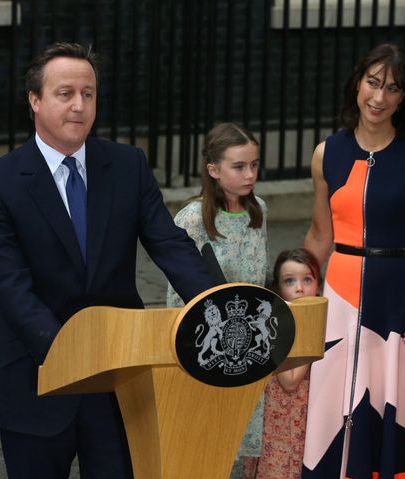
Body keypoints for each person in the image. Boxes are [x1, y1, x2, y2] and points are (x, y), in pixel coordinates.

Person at [0, 42, 214, 479]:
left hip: (119, 376)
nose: (79, 105)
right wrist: (68, 352)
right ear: (35, 100)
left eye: (88, 93)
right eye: (65, 93)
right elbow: (10, 285)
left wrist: (216, 306)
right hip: (38, 377)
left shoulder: (127, 165)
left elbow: (169, 245)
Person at [301, 43, 405, 478]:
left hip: (399, 300)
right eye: (373, 83)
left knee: (396, 411)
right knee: (335, 409)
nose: (379, 97)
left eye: (392, 88)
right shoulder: (325, 152)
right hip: (339, 300)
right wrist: (292, 303)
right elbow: (319, 234)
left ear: (403, 97)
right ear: (357, 84)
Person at [165, 122, 268, 479]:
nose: (250, 174)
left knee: (238, 444)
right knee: (204, 444)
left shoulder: (260, 212)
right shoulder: (192, 219)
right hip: (206, 350)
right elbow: (177, 295)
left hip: (248, 348)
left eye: (254, 165)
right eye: (239, 166)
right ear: (213, 170)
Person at [256, 248, 322, 479]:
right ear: (278, 288)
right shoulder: (278, 322)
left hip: (301, 417)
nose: (300, 288)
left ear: (318, 284)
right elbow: (287, 380)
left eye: (307, 279)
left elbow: (292, 381)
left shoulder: (317, 321)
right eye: (289, 281)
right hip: (276, 417)